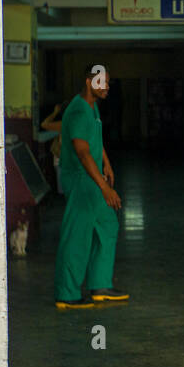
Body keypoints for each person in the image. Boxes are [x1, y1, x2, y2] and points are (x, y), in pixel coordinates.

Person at [54, 65, 127, 309]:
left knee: (107, 225)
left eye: (108, 82)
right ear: (88, 82)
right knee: (78, 235)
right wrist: (105, 188)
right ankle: (67, 294)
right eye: (101, 82)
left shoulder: (92, 107)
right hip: (80, 178)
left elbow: (94, 140)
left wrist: (106, 162)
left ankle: (100, 285)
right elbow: (83, 152)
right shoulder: (77, 111)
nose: (106, 87)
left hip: (93, 177)